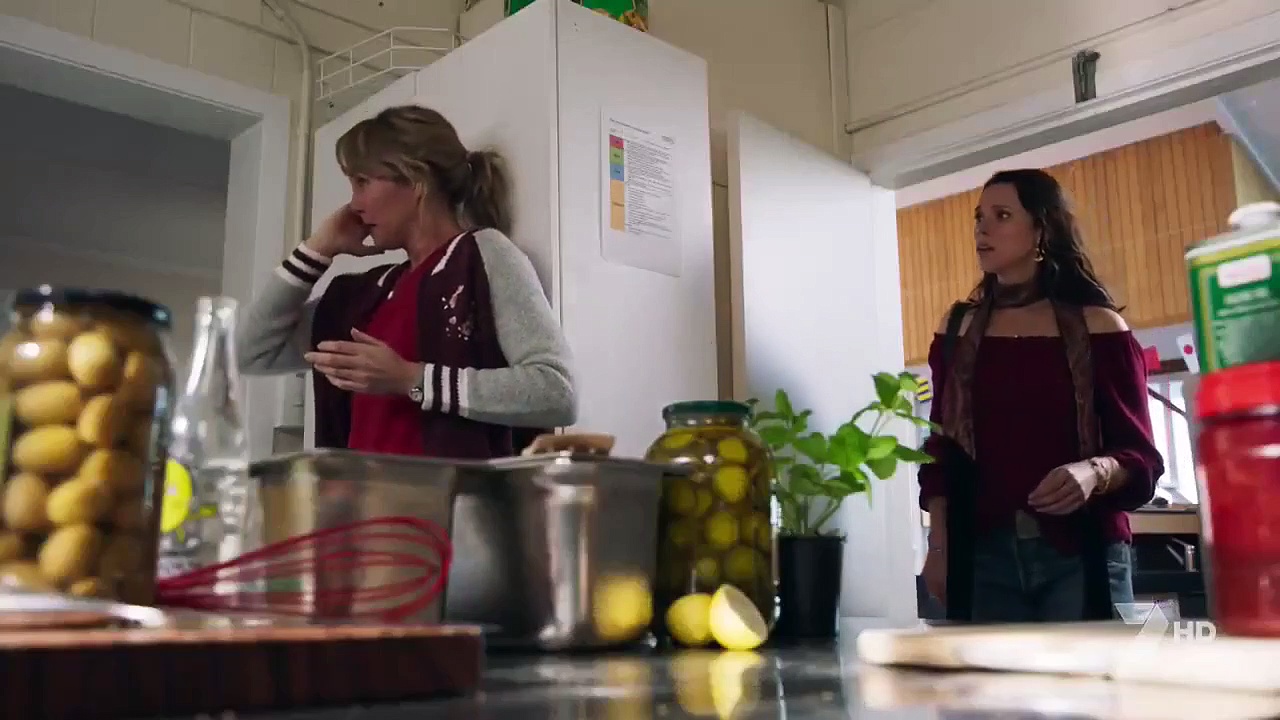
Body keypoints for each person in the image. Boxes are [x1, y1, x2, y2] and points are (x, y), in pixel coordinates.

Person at [237, 104, 576, 459]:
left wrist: (411, 379)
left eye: (362, 183)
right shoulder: (360, 297)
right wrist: (317, 249)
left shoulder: (482, 256)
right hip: (362, 496)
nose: (354, 205)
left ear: (416, 180)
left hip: (453, 496)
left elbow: (557, 391)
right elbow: (250, 353)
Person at [918, 168, 1165, 623]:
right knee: (988, 674)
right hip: (982, 558)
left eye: (1002, 215)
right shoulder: (957, 330)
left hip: (1083, 554)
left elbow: (1141, 456)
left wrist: (1093, 472)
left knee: (1090, 672)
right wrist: (938, 546)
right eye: (979, 217)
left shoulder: (1099, 327)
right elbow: (942, 451)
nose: (982, 229)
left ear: (1041, 231)